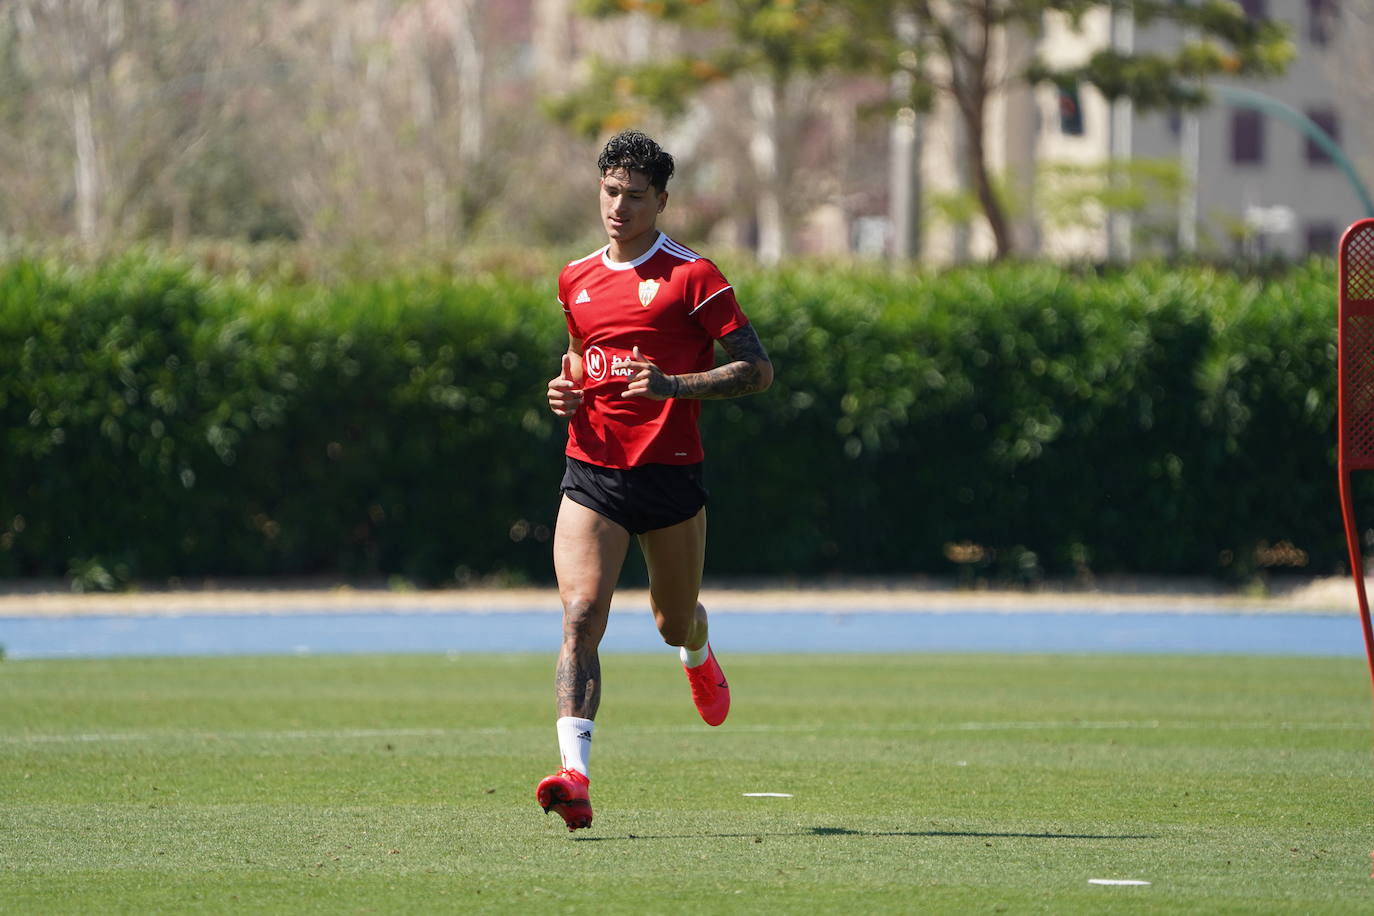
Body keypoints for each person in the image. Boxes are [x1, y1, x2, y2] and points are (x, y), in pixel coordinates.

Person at [536, 129, 774, 831]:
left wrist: (674, 385)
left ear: (661, 201)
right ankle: (575, 777)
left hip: (669, 479)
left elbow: (757, 370)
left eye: (635, 197)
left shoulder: (693, 276)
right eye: (611, 192)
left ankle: (697, 651)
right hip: (592, 474)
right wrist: (565, 391)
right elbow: (580, 359)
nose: (619, 207)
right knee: (581, 616)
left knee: (672, 619)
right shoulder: (575, 278)